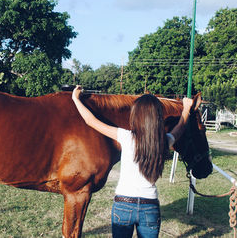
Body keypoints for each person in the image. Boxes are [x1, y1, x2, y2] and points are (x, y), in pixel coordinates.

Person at [71, 85, 193, 238]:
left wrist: (75, 99)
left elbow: (91, 121)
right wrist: (186, 109)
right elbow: (180, 128)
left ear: (136, 115)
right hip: (150, 208)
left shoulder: (126, 137)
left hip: (123, 205)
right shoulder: (163, 142)